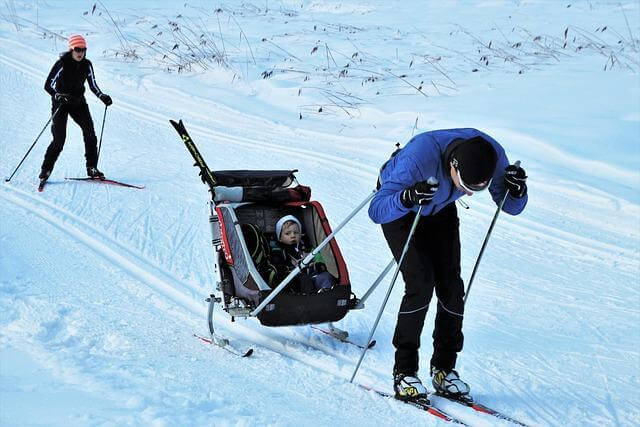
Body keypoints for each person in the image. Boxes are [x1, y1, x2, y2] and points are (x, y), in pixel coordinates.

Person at [368, 129, 528, 401]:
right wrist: (406, 197)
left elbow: (511, 207)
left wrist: (518, 191)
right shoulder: (419, 157)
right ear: (453, 165)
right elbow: (377, 209)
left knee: (452, 288)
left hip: (439, 208)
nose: (468, 194)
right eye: (465, 186)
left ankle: (444, 369)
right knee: (420, 283)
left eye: (476, 190)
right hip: (403, 206)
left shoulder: (492, 154)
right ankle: (404, 372)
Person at [38, 34, 113, 183]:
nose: (80, 53)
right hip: (61, 104)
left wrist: (102, 96)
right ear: (71, 49)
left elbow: (92, 85)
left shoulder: (87, 65)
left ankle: (92, 167)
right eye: (77, 49)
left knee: (90, 134)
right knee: (59, 140)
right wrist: (58, 96)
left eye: (83, 49)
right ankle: (46, 170)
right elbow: (48, 85)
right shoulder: (62, 64)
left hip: (78, 103)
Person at [270, 215, 335, 293]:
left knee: (326, 276)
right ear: (280, 237)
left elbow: (318, 257)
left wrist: (318, 265)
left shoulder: (307, 247)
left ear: (301, 234)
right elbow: (277, 266)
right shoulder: (279, 251)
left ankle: (326, 293)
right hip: (293, 281)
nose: (293, 236)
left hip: (311, 276)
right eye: (288, 233)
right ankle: (312, 297)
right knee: (303, 279)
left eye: (296, 233)